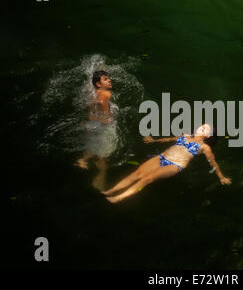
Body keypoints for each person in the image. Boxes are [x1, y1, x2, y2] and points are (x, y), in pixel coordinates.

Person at [102, 123, 232, 203]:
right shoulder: (185, 135)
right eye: (202, 126)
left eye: (204, 129)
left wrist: (221, 177)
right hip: (162, 157)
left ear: (208, 136)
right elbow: (169, 139)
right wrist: (154, 141)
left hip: (175, 165)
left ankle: (118, 198)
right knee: (137, 173)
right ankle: (112, 190)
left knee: (147, 178)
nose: (201, 128)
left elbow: (213, 162)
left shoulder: (205, 147)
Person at [74, 70, 117, 190]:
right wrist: (108, 118)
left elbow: (90, 109)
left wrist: (94, 118)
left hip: (91, 123)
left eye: (109, 78)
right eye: (105, 79)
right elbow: (102, 101)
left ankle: (83, 160)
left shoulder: (93, 94)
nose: (109, 80)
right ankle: (101, 176)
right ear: (98, 84)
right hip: (103, 124)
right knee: (103, 154)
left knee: (93, 146)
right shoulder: (106, 93)